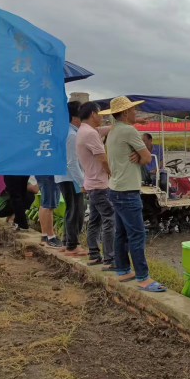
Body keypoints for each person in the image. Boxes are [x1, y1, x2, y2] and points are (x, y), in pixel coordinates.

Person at [102, 96, 165, 292]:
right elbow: (147, 158)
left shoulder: (112, 131)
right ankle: (143, 278)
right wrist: (140, 155)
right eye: (133, 110)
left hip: (115, 188)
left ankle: (122, 269)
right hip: (128, 190)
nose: (135, 113)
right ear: (126, 112)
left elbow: (138, 156)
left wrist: (136, 155)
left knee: (121, 233)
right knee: (137, 234)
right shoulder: (129, 131)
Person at [76, 101, 116, 270]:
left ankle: (94, 254)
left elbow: (105, 130)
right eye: (99, 114)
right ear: (93, 114)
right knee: (110, 219)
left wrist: (126, 123)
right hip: (100, 185)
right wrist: (112, 173)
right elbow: (103, 158)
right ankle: (110, 258)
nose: (101, 117)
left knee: (95, 219)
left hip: (91, 184)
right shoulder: (91, 135)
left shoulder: (84, 131)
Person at [54, 101, 87, 256]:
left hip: (65, 176)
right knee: (77, 210)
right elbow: (72, 162)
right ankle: (72, 245)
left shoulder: (66, 131)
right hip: (71, 178)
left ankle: (66, 242)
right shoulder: (72, 135)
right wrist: (82, 182)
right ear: (75, 118)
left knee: (71, 209)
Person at [35, 175, 63, 248]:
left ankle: (45, 235)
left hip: (43, 173)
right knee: (48, 206)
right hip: (49, 174)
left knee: (44, 204)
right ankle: (51, 237)